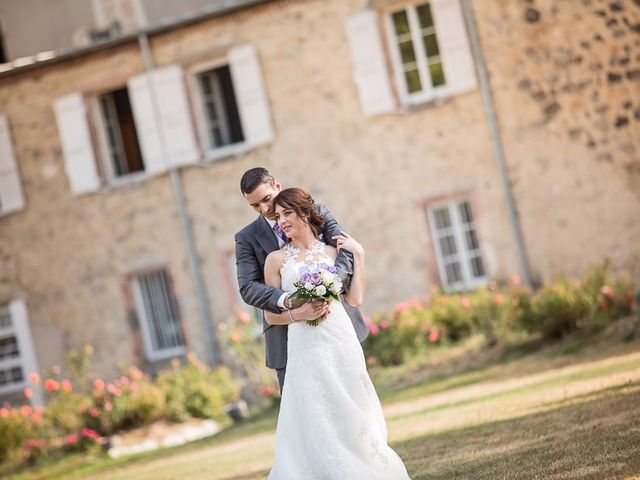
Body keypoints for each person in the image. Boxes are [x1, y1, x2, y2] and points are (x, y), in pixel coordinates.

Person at [263, 187, 411, 479]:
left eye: (287, 213)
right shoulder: (276, 260)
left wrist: (360, 254)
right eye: (278, 217)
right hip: (305, 345)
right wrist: (297, 314)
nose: (281, 222)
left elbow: (354, 299)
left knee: (352, 405)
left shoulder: (333, 253)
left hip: (340, 339)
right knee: (315, 408)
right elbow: (270, 315)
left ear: (304, 212)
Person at [234, 167, 368, 392]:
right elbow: (248, 288)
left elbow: (344, 247)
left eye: (267, 199)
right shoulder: (246, 238)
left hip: (336, 326)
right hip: (286, 338)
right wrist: (292, 301)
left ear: (277, 185)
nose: (265, 209)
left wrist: (327, 287)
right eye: (255, 206)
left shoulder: (313, 211)